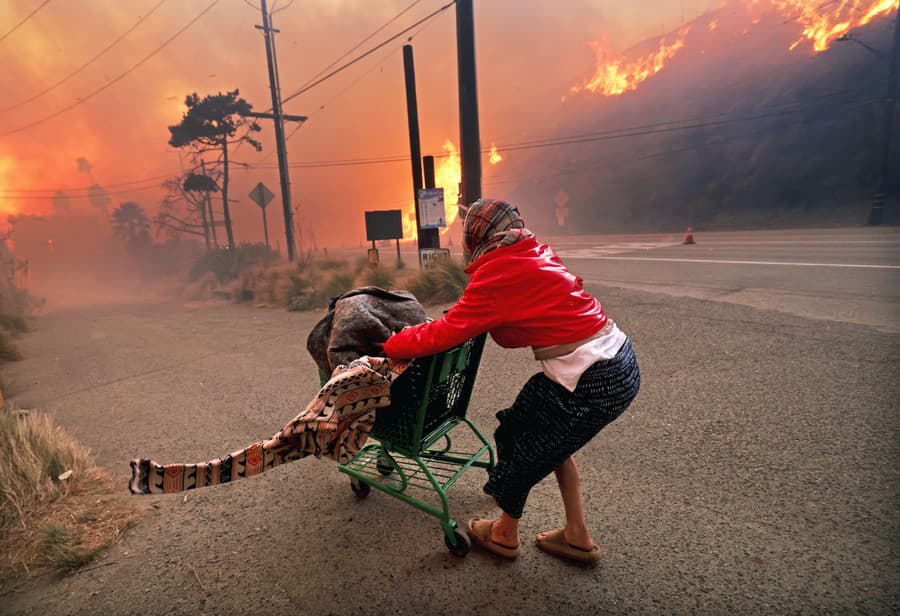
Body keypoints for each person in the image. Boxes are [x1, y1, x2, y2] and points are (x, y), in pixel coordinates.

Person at [384, 198, 640, 563]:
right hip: (619, 359)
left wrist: (391, 342)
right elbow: (517, 329)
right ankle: (577, 535)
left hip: (590, 377)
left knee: (521, 439)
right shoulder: (532, 252)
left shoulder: (497, 272)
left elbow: (442, 334)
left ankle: (505, 534)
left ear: (478, 234)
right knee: (547, 438)